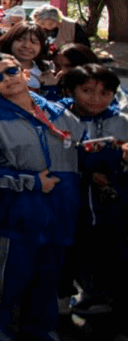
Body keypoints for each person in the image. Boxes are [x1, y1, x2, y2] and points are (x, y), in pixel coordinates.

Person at [0, 53, 81, 341]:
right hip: (17, 215)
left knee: (47, 280)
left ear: (23, 72)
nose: (6, 79)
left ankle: (39, 331)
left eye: (10, 71)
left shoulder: (57, 111)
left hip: (60, 214)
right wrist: (28, 181)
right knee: (8, 282)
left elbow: (79, 148)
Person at [61, 65, 128, 316]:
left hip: (113, 203)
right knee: (73, 251)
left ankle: (111, 302)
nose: (96, 99)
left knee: (113, 252)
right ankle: (71, 298)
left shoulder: (121, 121)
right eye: (87, 91)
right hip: (71, 201)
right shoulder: (60, 119)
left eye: (105, 92)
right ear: (71, 90)